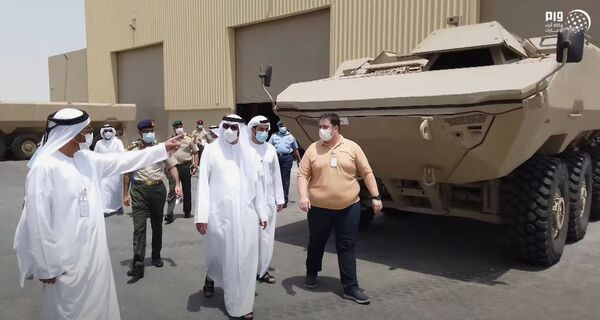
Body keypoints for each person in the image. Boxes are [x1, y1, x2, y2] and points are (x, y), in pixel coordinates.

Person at [13, 108, 183, 320]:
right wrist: (46, 266)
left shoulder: (86, 158)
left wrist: (162, 149)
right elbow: (38, 221)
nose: (89, 135)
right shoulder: (45, 167)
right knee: (68, 311)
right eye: (86, 130)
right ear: (72, 133)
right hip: (64, 261)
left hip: (94, 254)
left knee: (98, 307)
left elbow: (123, 161)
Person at [298, 113, 383, 305]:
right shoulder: (313, 149)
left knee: (346, 246)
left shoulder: (352, 148)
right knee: (316, 242)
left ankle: (350, 287)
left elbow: (367, 172)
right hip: (318, 208)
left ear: (336, 128)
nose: (322, 130)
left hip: (348, 208)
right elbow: (302, 174)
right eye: (320, 126)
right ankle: (312, 272)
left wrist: (376, 196)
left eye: (325, 126)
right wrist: (303, 196)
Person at [195, 114, 267, 319]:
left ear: (241, 129)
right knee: (220, 256)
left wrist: (262, 212)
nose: (228, 130)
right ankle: (211, 277)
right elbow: (203, 185)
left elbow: (259, 186)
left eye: (233, 127)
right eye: (225, 126)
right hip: (220, 216)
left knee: (245, 260)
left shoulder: (251, 154)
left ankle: (241, 305)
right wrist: (201, 216)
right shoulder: (211, 151)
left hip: (247, 216)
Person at [122, 119, 182, 283]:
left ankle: (156, 255)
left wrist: (177, 184)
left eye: (152, 130)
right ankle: (138, 263)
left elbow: (172, 166)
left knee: (157, 225)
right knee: (139, 227)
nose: (150, 133)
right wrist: (125, 194)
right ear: (140, 133)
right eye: (147, 130)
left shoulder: (160, 149)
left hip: (157, 189)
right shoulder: (133, 150)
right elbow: (127, 172)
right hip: (139, 190)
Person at [248, 116, 285, 284]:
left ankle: (263, 271)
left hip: (268, 200)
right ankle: (249, 270)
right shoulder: (245, 149)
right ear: (252, 129)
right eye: (260, 129)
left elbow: (276, 174)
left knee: (267, 237)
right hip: (250, 201)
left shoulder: (270, 149)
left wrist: (279, 198)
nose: (263, 132)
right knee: (250, 237)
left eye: (265, 129)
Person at [165, 120, 199, 223]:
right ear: (174, 129)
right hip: (173, 167)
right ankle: (169, 214)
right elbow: (166, 153)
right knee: (172, 190)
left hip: (186, 166)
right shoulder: (170, 140)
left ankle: (187, 211)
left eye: (181, 126)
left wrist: (196, 165)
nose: (179, 128)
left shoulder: (189, 139)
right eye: (177, 127)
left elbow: (196, 152)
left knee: (187, 189)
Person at [94, 124, 126, 216]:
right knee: (104, 189)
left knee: (116, 189)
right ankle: (105, 208)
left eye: (110, 131)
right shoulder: (99, 143)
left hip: (115, 171)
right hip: (103, 171)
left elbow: (121, 155)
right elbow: (95, 156)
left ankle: (118, 206)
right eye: (106, 131)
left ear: (113, 132)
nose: (108, 133)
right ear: (102, 132)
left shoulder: (118, 142)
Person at [269, 120, 301, 207]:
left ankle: (284, 200)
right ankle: (275, 199)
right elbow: (268, 148)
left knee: (285, 179)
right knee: (274, 178)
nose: (282, 127)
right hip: (276, 158)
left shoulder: (291, 137)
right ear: (278, 127)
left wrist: (299, 160)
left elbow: (295, 149)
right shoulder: (274, 136)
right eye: (280, 126)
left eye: (284, 126)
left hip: (287, 158)